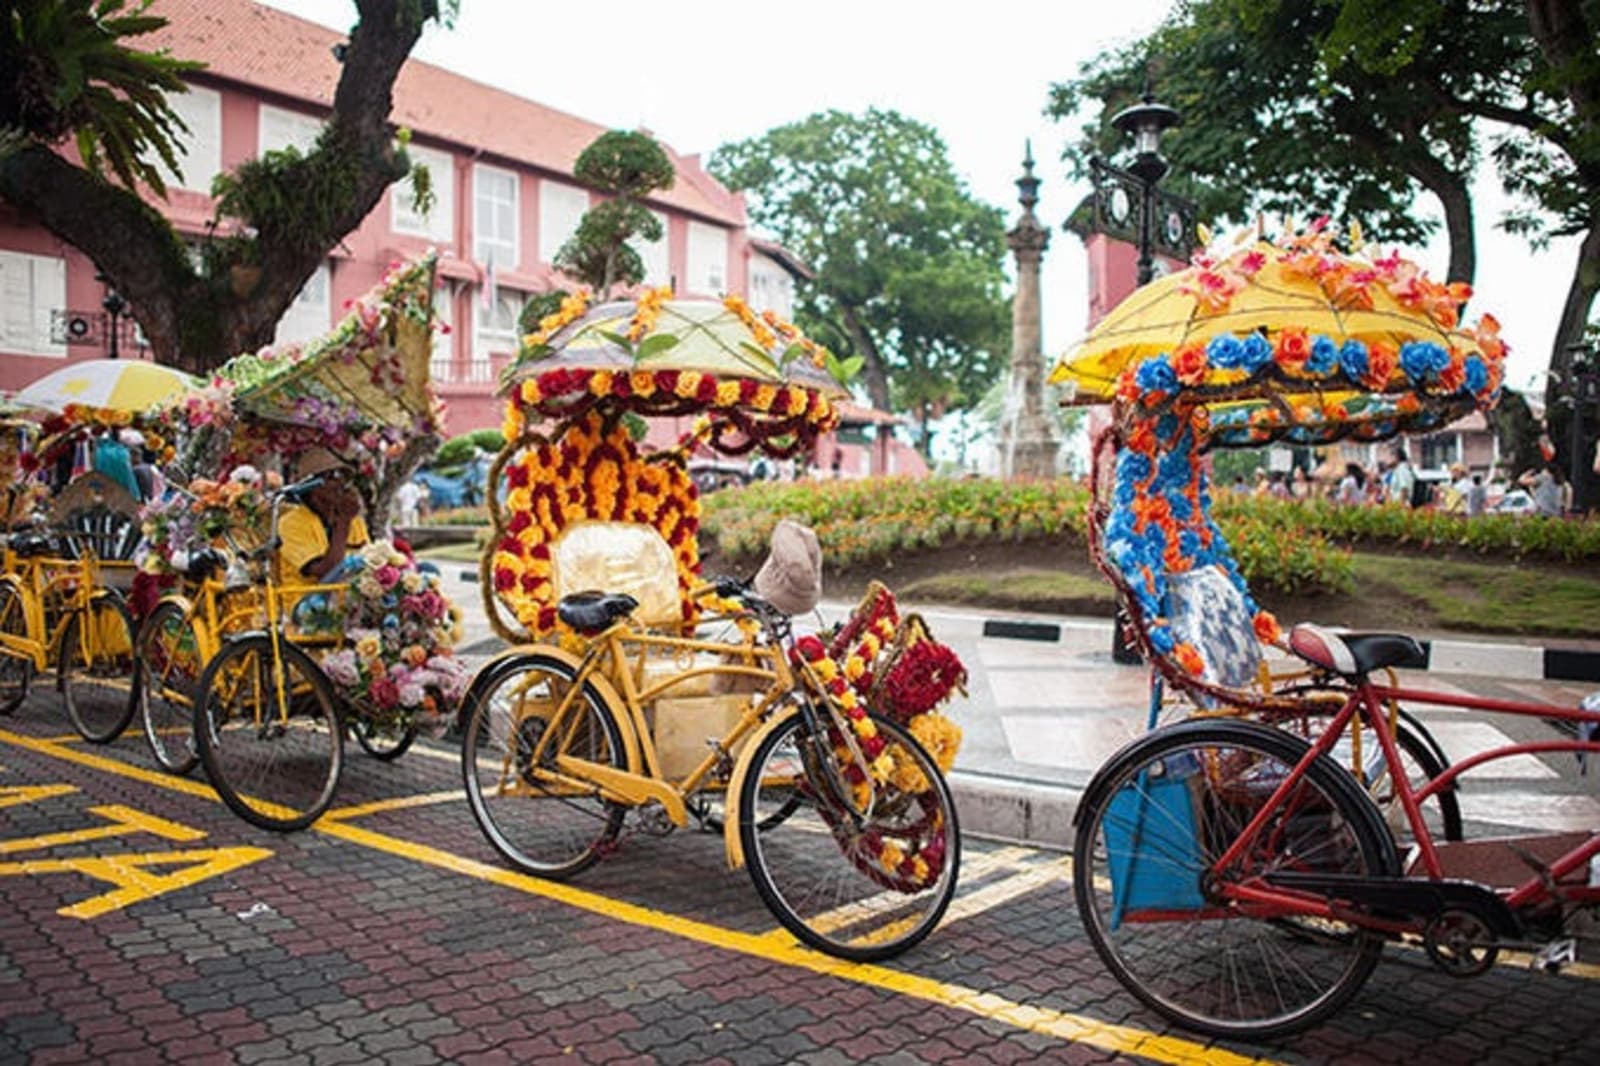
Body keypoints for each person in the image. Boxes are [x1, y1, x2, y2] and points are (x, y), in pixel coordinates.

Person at [278, 447, 370, 584]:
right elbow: (328, 573)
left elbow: (370, 562)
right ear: (313, 486)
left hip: (347, 600)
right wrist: (343, 522)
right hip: (304, 602)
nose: (342, 484)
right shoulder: (291, 523)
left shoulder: (354, 521)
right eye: (334, 477)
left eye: (344, 478)